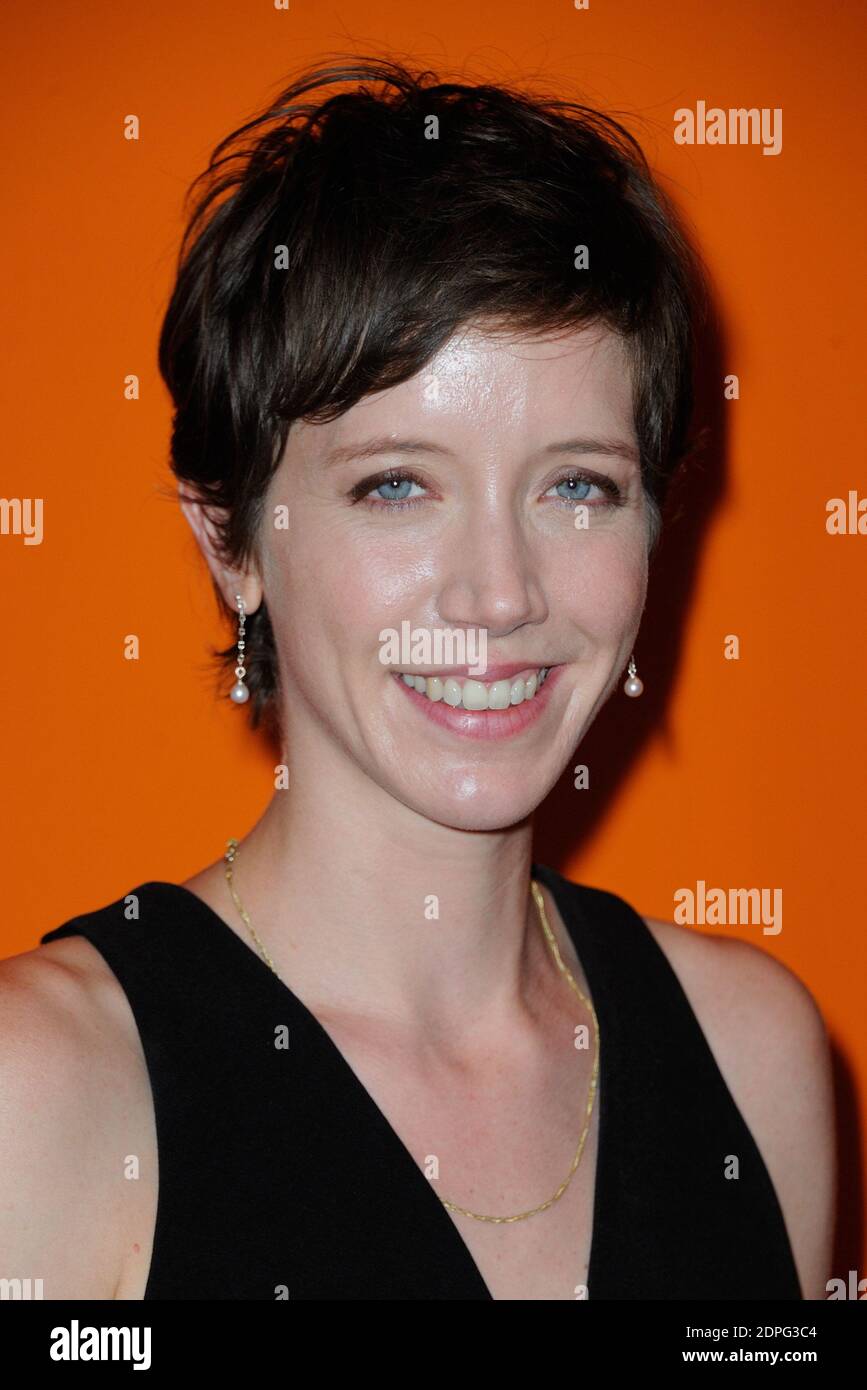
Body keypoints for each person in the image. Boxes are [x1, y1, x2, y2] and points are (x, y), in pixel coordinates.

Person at [1, 56, 835, 1301]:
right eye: (398, 484)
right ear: (232, 542)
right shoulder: (48, 1090)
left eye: (578, 486)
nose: (500, 593)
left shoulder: (755, 1054)